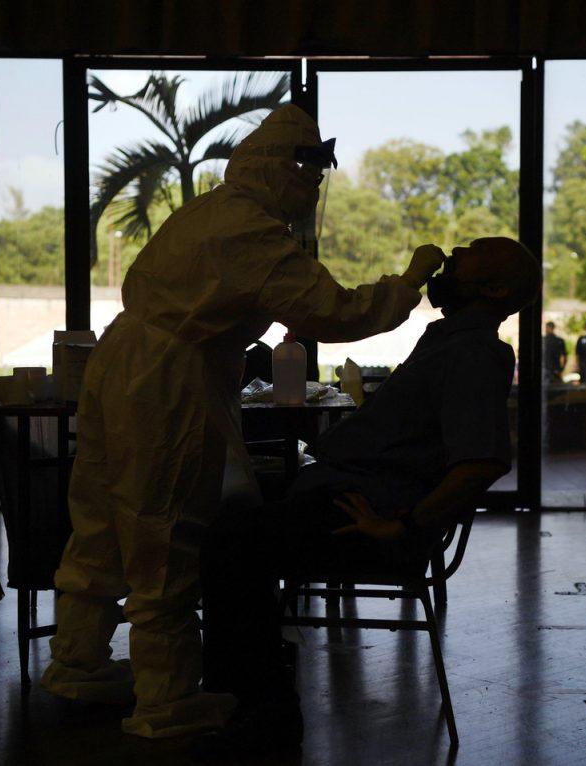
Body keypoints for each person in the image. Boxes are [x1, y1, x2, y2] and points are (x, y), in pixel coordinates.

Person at [40, 103, 446, 738]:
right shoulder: (252, 233)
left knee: (99, 518)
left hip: (122, 361)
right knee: (166, 526)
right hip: (169, 379)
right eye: (307, 173)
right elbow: (334, 314)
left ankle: (77, 661)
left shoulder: (209, 211)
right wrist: (409, 282)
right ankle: (166, 698)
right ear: (279, 170)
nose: (312, 186)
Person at [195, 236, 541, 760]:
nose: (451, 255)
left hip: (366, 514)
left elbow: (483, 460)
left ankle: (262, 709)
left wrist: (405, 526)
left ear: (493, 287)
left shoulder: (472, 351)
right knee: (237, 519)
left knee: (232, 541)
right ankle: (255, 685)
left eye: (468, 251)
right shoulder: (451, 341)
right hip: (353, 493)